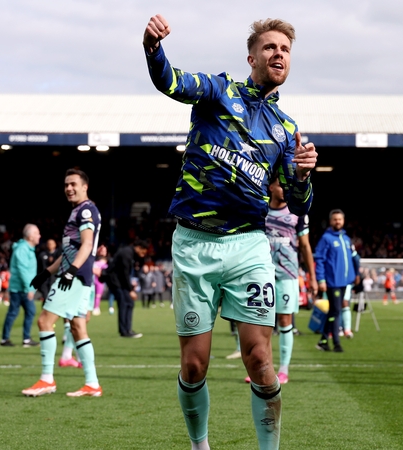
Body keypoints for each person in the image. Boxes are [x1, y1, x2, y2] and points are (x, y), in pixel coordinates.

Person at [144, 13, 317, 450]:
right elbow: (170, 82)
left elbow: (297, 203)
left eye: (286, 49)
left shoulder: (288, 129)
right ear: (252, 56)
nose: (279, 54)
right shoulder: (218, 91)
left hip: (248, 246)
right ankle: (199, 445)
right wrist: (152, 48)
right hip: (194, 242)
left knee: (260, 358)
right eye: (270, 47)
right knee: (195, 366)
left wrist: (302, 176)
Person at [21, 169, 102, 397]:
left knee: (45, 321)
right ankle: (92, 383)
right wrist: (46, 273)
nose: (69, 188)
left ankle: (47, 379)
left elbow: (86, 245)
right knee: (77, 328)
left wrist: (71, 272)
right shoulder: (79, 210)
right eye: (66, 185)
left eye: (74, 184)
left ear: (85, 186)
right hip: (76, 274)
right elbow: (69, 250)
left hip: (74, 276)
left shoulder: (85, 210)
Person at [264, 175, 317, 383]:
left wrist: (312, 277)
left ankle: (284, 369)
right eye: (281, 185)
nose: (285, 189)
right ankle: (263, 368)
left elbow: (305, 246)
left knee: (285, 320)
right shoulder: (260, 210)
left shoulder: (298, 213)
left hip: (287, 273)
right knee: (261, 322)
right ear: (270, 187)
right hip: (262, 273)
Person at [313, 210, 359, 352]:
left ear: (343, 221)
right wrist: (320, 279)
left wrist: (355, 275)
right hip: (333, 281)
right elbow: (319, 259)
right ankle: (336, 343)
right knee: (336, 311)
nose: (337, 222)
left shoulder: (346, 238)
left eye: (339, 219)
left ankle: (324, 341)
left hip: (345, 281)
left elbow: (353, 258)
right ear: (331, 221)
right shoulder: (326, 238)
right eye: (335, 219)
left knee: (334, 311)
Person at [0, 224, 41, 347]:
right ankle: (22, 339)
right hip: (21, 288)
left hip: (20, 287)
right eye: (37, 233)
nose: (39, 236)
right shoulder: (23, 249)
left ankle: (10, 338)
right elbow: (23, 270)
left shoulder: (25, 248)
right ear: (30, 236)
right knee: (24, 311)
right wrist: (29, 288)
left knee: (18, 312)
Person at [104, 240, 148, 337]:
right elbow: (124, 273)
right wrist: (130, 290)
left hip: (119, 282)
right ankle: (125, 331)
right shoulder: (127, 254)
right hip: (116, 282)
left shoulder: (128, 253)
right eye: (143, 252)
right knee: (124, 304)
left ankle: (126, 330)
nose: (142, 255)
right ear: (139, 247)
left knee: (128, 303)